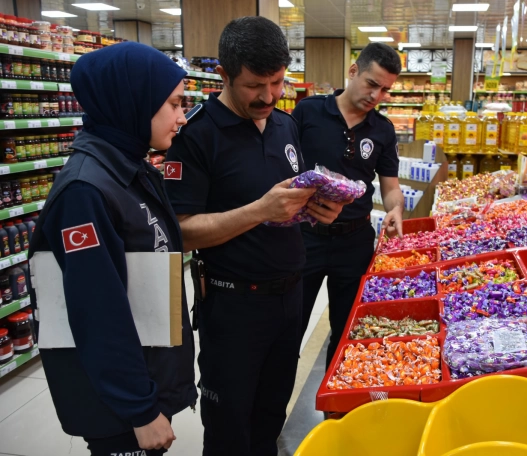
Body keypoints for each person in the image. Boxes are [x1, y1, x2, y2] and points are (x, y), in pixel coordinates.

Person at [163, 17, 345, 456]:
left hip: (290, 297)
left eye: (277, 82)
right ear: (224, 75)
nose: (268, 96)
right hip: (232, 306)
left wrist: (320, 209)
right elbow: (180, 232)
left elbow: (288, 201)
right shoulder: (195, 136)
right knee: (229, 429)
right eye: (254, 86)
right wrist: (259, 210)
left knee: (270, 417)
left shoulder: (285, 125)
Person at [28, 42, 197, 455]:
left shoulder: (129, 166)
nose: (182, 116)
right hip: (120, 406)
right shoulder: (86, 191)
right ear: (133, 101)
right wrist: (140, 409)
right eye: (174, 104)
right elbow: (99, 312)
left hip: (145, 374)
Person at [292, 43, 404, 368]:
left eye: (385, 90)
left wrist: (396, 209)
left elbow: (391, 186)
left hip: (354, 241)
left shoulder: (383, 130)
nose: (377, 96)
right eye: (372, 84)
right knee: (290, 324)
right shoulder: (308, 112)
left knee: (347, 331)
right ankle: (276, 393)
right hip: (305, 235)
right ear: (353, 71)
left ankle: (334, 396)